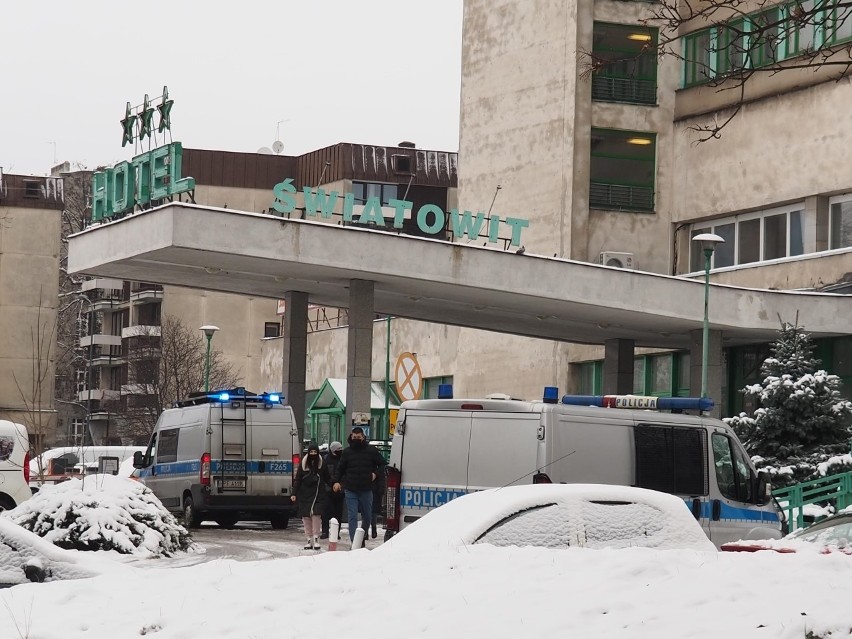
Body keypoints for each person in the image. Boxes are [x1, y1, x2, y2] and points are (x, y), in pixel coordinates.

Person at [332, 426, 386, 545]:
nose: (356, 439)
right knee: (352, 517)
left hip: (366, 489)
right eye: (354, 437)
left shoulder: (371, 451)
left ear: (363, 437)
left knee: (367, 516)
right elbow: (340, 469)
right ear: (351, 437)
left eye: (359, 437)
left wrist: (375, 474)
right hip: (351, 489)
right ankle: (355, 543)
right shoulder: (346, 452)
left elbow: (383, 464)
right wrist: (336, 481)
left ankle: (362, 535)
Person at [291, 442, 331, 550]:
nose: (313, 454)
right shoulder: (303, 465)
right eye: (311, 452)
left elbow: (327, 477)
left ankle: (316, 538)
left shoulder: (322, 464)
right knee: (306, 517)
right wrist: (294, 493)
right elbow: (298, 480)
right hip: (304, 495)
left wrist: (333, 485)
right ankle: (309, 539)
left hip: (318, 494)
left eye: (315, 452)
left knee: (316, 516)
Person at [320, 441, 344, 539]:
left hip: (340, 490)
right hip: (327, 490)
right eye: (338, 449)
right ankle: (325, 531)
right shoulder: (325, 459)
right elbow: (324, 475)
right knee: (326, 512)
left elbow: (345, 474)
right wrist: (330, 485)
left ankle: (336, 533)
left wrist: (341, 485)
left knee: (338, 513)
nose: (340, 451)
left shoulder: (343, 460)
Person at [370, 464, 386, 539]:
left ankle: (369, 529)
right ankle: (372, 529)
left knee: (370, 511)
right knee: (372, 511)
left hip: (373, 490)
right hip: (374, 490)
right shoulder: (379, 464)